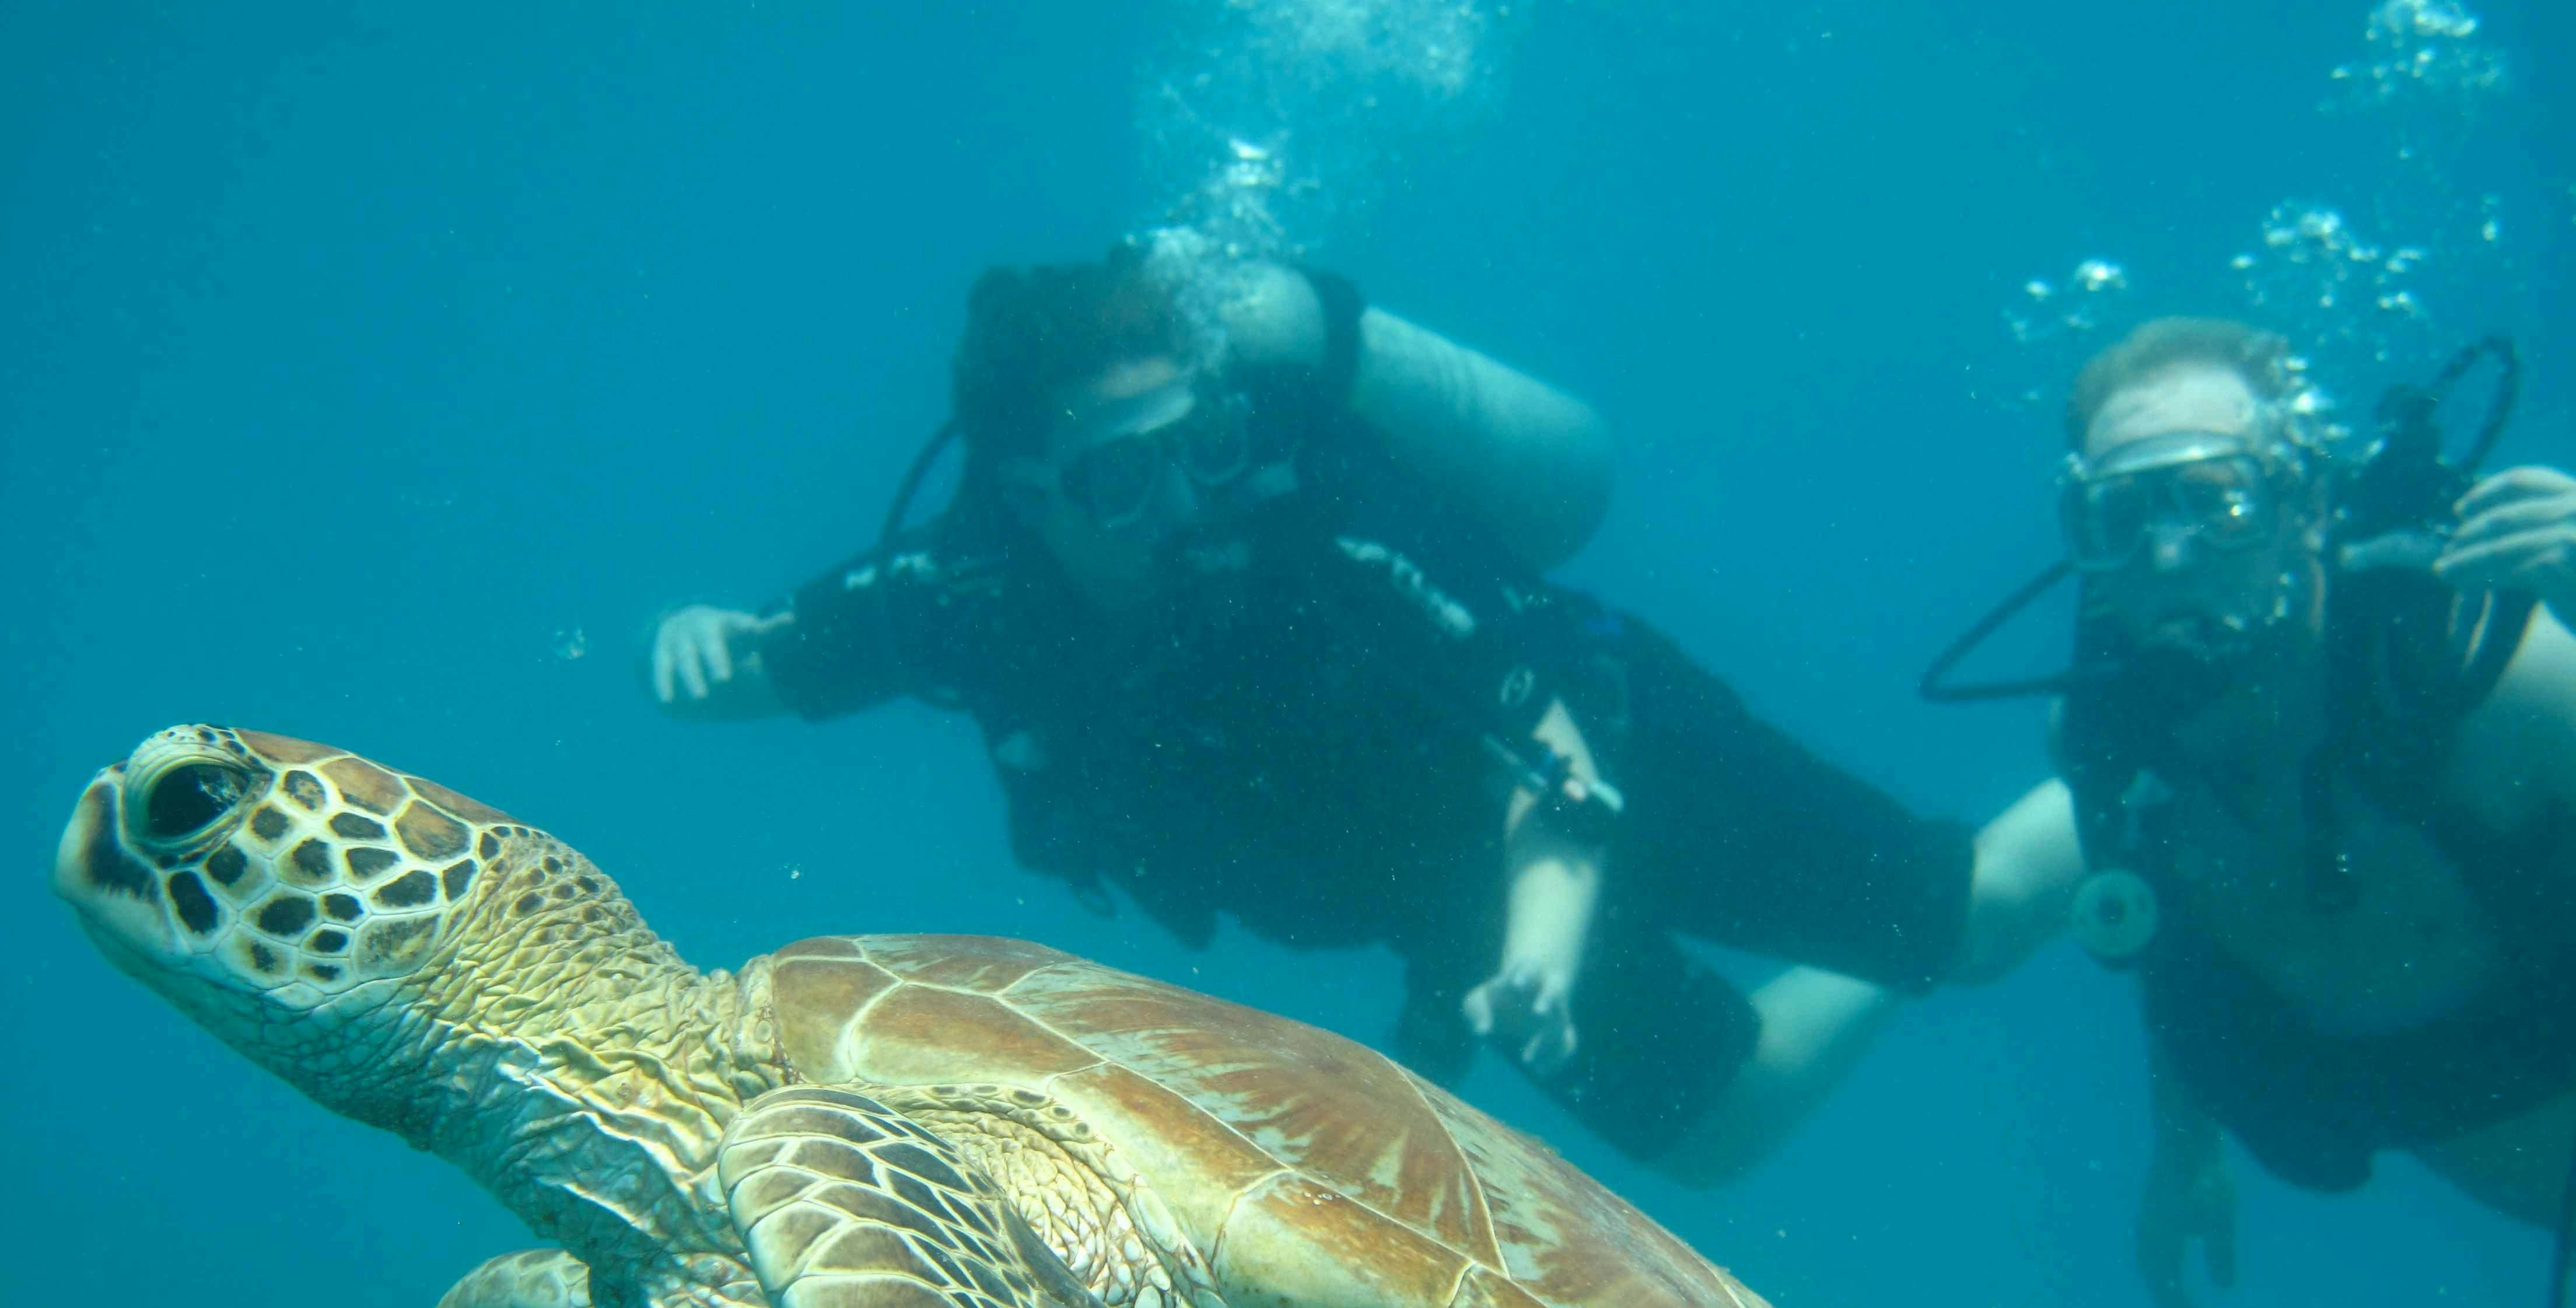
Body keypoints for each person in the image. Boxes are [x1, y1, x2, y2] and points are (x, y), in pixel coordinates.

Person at [649, 244, 2021, 1177]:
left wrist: (1543, 957)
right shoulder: (962, 597)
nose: (1189, 506)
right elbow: (747, 668)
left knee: (1962, 920)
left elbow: (1551, 759)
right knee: (1721, 1127)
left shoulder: (1323, 542)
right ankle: (1886, 945)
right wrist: (693, 635)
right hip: (1448, 896)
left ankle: (2109, 803)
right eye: (1123, 479)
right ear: (1023, 497)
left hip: (1613, 753)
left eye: (1205, 447)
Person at [1911, 315, 2576, 1308]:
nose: (2168, 555)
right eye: (2121, 517)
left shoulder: (2472, 670)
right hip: (2413, 1121)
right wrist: (2185, 1150)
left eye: (2216, 502)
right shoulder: (2110, 742)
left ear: (2303, 501)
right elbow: (2163, 937)